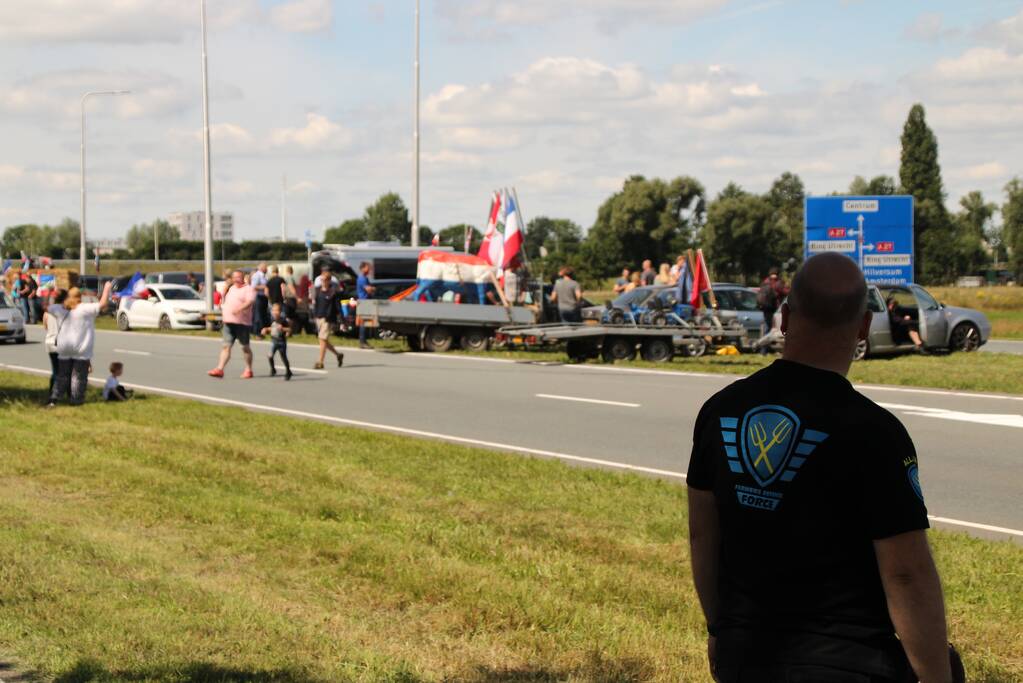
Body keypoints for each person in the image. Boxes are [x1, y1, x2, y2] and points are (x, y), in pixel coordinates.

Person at [687, 253, 952, 683]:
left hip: (747, 655)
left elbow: (703, 533)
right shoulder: (876, 432)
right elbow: (906, 573)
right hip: (851, 663)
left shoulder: (720, 411)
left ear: (786, 317)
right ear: (863, 327)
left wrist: (721, 629)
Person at [48, 281, 113, 407]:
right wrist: (106, 288)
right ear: (79, 297)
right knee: (78, 376)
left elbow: (47, 306)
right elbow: (103, 304)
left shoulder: (60, 308)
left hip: (64, 347)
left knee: (62, 375)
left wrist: (50, 292)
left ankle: (54, 398)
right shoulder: (84, 309)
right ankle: (76, 400)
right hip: (81, 348)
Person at [208, 270, 256, 379]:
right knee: (226, 346)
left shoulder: (248, 289)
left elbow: (250, 302)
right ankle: (220, 369)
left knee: (245, 347)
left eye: (238, 277)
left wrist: (239, 309)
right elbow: (226, 302)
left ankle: (248, 369)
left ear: (243, 277)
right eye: (234, 277)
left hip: (242, 323)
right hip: (228, 322)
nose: (236, 279)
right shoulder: (231, 289)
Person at [313, 275, 344, 369]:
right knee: (323, 341)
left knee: (322, 339)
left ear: (329, 281)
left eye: (325, 280)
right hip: (319, 317)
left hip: (328, 319)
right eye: (321, 279)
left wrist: (341, 319)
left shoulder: (333, 292)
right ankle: (338, 355)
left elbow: (337, 306)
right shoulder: (318, 290)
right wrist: (314, 316)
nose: (322, 281)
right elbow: (316, 304)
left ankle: (320, 362)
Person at [42, 289, 68, 395]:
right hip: (61, 342)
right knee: (64, 370)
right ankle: (62, 391)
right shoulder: (65, 311)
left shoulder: (48, 312)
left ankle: (52, 391)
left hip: (49, 341)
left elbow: (45, 327)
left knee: (55, 370)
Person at [261, 303, 293, 380]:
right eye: (273, 310)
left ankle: (288, 371)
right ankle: (273, 369)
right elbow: (271, 328)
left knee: (283, 357)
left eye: (277, 310)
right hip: (274, 341)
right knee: (270, 355)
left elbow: (289, 329)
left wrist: (283, 329)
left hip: (281, 341)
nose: (275, 312)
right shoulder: (271, 319)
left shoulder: (283, 320)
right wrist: (265, 330)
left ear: (280, 311)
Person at [757, 268, 789, 334]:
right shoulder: (777, 283)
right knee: (774, 326)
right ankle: (769, 340)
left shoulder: (765, 281)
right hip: (775, 307)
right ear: (777, 273)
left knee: (767, 324)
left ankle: (765, 340)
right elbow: (786, 292)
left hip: (765, 306)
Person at [356, 262, 376, 349]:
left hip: (365, 301)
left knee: (366, 322)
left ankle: (363, 341)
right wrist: (373, 289)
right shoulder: (362, 278)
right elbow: (368, 289)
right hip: (364, 302)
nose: (369, 270)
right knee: (363, 322)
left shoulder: (365, 278)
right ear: (363, 268)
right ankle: (362, 341)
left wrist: (371, 289)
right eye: (368, 268)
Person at [250, 262, 269, 338]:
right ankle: (257, 331)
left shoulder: (264, 276)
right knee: (258, 315)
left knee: (263, 314)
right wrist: (265, 287)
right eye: (265, 267)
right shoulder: (257, 275)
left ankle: (262, 331)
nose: (267, 269)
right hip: (258, 297)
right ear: (261, 268)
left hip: (264, 297)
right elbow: (254, 286)